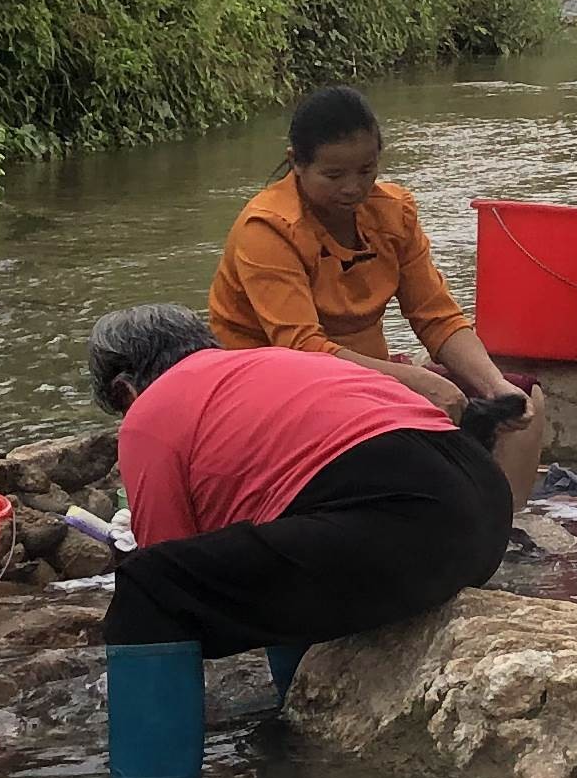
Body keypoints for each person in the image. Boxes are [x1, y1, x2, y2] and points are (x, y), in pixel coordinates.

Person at [89, 305, 515, 676]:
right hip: (485, 504)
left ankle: (152, 770)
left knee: (148, 588)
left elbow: (170, 552)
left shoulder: (152, 407)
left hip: (406, 527)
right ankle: (292, 701)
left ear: (124, 389)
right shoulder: (274, 363)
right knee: (278, 543)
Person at [209, 86, 543, 501]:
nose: (354, 188)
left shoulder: (393, 212)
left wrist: (493, 384)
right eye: (333, 175)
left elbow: (436, 317)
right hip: (276, 388)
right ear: (296, 163)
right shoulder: (268, 228)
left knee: (525, 400)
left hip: (367, 374)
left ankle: (501, 534)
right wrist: (417, 382)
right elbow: (300, 349)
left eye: (367, 170)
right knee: (424, 411)